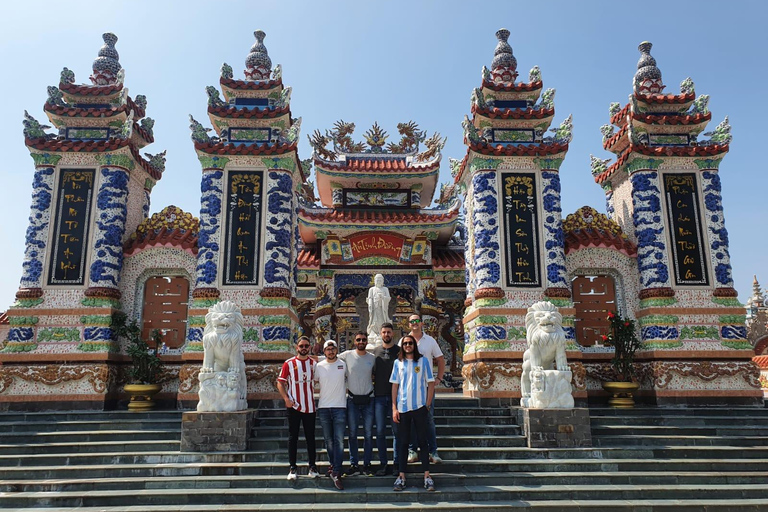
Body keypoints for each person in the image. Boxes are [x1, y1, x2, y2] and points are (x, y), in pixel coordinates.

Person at [390, 334, 435, 492]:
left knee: (423, 442)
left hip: (419, 408)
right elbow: (395, 386)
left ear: (414, 345)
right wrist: (394, 407)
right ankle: (401, 476)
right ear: (402, 346)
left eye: (410, 343)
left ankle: (427, 476)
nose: (408, 346)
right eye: (405, 343)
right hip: (403, 408)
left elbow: (431, 383)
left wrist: (427, 405)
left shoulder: (422, 362)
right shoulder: (398, 363)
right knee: (403, 443)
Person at [276, 336, 320, 481]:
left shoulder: (314, 364)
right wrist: (286, 399)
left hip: (309, 406)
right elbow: (280, 383)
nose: (304, 348)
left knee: (310, 438)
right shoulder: (289, 363)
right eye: (301, 346)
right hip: (294, 406)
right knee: (292, 437)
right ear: (297, 347)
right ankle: (293, 467)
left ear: (310, 347)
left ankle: (312, 466)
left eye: (306, 346)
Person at [402, 314, 445, 463]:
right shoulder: (405, 341)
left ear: (421, 323)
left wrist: (439, 377)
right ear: (408, 324)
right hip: (410, 388)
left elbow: (440, 359)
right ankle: (412, 451)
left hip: (427, 387)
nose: (414, 323)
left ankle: (433, 452)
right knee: (412, 419)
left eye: (416, 321)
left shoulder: (430, 341)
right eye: (411, 321)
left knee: (428, 418)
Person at [339, 331, 375, 477]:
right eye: (358, 339)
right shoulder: (347, 355)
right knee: (352, 434)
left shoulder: (372, 358)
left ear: (367, 342)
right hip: (353, 400)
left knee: (368, 434)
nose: (361, 342)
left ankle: (367, 464)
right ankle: (354, 464)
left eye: (363, 340)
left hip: (369, 399)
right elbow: (329, 357)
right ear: (354, 341)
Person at [314, 340, 346, 490]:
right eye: (328, 349)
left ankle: (337, 470)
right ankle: (334, 466)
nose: (331, 351)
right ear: (324, 351)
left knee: (339, 440)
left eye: (333, 349)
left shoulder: (343, 364)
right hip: (324, 407)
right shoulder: (319, 366)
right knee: (329, 440)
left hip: (340, 406)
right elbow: (311, 383)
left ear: (336, 350)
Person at [372, 322, 400, 476]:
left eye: (389, 332)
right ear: (380, 333)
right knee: (381, 431)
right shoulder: (375, 353)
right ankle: (383, 463)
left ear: (392, 334)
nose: (386, 335)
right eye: (384, 332)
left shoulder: (400, 352)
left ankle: (397, 463)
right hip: (379, 397)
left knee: (397, 432)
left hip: (396, 398)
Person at [366, 274, 391, 341]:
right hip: (374, 308)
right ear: (374, 281)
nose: (379, 281)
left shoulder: (385, 289)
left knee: (382, 321)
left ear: (383, 281)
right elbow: (370, 298)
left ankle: (381, 333)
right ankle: (373, 333)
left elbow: (388, 298)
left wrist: (383, 297)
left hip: (382, 308)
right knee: (374, 321)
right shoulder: (372, 289)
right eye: (377, 280)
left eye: (380, 280)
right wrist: (370, 304)